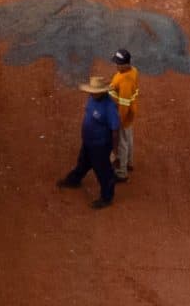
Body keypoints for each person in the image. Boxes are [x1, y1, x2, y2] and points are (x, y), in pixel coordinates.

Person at [56, 77, 120, 208]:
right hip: (88, 141)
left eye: (94, 91)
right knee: (83, 162)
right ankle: (74, 180)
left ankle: (107, 197)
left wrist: (114, 151)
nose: (91, 93)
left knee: (103, 171)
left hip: (100, 145)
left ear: (102, 92)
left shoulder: (109, 107)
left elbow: (115, 131)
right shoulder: (92, 98)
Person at [108, 49, 141, 176]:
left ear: (127, 64)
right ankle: (129, 162)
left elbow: (123, 104)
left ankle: (122, 172)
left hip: (123, 115)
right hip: (130, 113)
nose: (117, 65)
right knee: (128, 138)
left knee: (121, 144)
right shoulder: (133, 70)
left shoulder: (125, 81)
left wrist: (118, 121)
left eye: (119, 64)